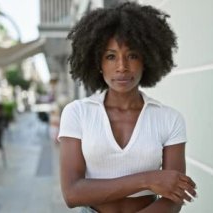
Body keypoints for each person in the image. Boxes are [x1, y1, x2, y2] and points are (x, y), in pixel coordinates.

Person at [58, 2, 197, 213]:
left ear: (147, 59)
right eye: (110, 56)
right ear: (98, 63)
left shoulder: (169, 119)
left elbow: (174, 199)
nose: (122, 67)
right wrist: (147, 179)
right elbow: (72, 193)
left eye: (132, 55)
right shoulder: (77, 113)